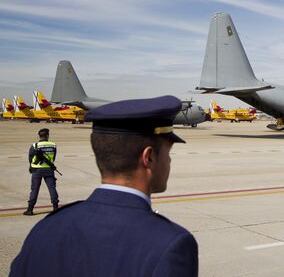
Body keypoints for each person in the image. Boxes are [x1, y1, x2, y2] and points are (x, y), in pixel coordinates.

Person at [10, 96, 199, 277]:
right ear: (148, 157)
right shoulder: (170, 244)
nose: (169, 160)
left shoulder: (45, 230)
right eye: (168, 153)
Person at [23, 128, 59, 215]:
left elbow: (30, 158)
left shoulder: (35, 145)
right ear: (47, 135)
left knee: (35, 189)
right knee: (52, 188)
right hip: (49, 169)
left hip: (37, 170)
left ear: (39, 136)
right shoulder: (53, 145)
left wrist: (31, 166)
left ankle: (30, 209)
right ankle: (55, 208)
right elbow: (53, 158)